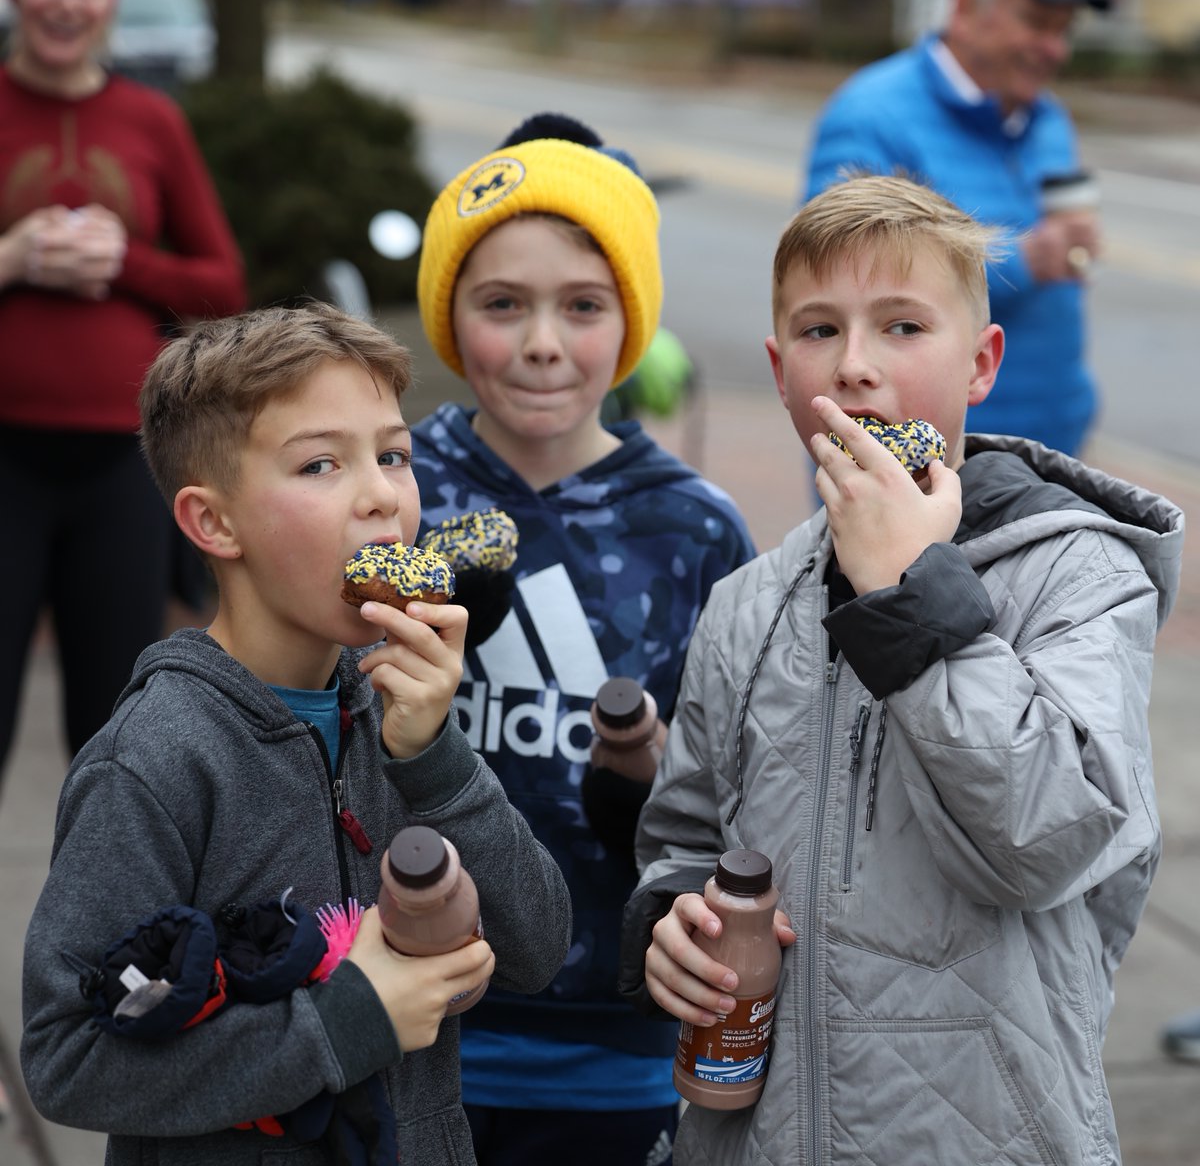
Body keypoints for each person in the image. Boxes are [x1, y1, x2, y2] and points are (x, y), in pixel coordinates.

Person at [619, 174, 1184, 1165]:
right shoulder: (746, 605)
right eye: (819, 331)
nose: (858, 367)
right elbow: (685, 834)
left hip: (993, 1130)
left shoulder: (1080, 578)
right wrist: (673, 919)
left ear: (982, 363)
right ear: (780, 370)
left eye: (903, 327)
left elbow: (1050, 839)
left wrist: (910, 595)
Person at [19, 303, 573, 1166]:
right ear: (215, 524)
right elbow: (68, 1059)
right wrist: (348, 1024)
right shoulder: (159, 762)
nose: (382, 495)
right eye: (321, 464)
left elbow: (537, 948)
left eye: (393, 454)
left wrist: (436, 761)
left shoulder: (395, 712)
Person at [411, 112, 756, 1164]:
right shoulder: (390, 492)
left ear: (632, 321)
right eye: (502, 304)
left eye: (583, 306)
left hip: (621, 1037)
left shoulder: (697, 529)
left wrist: (651, 774)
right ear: (450, 313)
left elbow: (742, 797)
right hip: (414, 1015)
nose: (543, 342)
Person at [0, 0, 245, 793]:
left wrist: (125, 260)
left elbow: (223, 285)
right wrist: (13, 255)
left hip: (123, 462)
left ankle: (103, 920)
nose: (68, 4)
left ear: (111, 0)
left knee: (113, 730)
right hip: (4, 458)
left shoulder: (152, 120)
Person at [801, 0, 1109, 458]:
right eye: (1036, 22)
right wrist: (1026, 260)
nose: (1056, 49)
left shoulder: (1047, 116)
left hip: (1051, 444)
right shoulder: (871, 114)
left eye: (1063, 29)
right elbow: (837, 279)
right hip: (925, 462)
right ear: (965, 8)